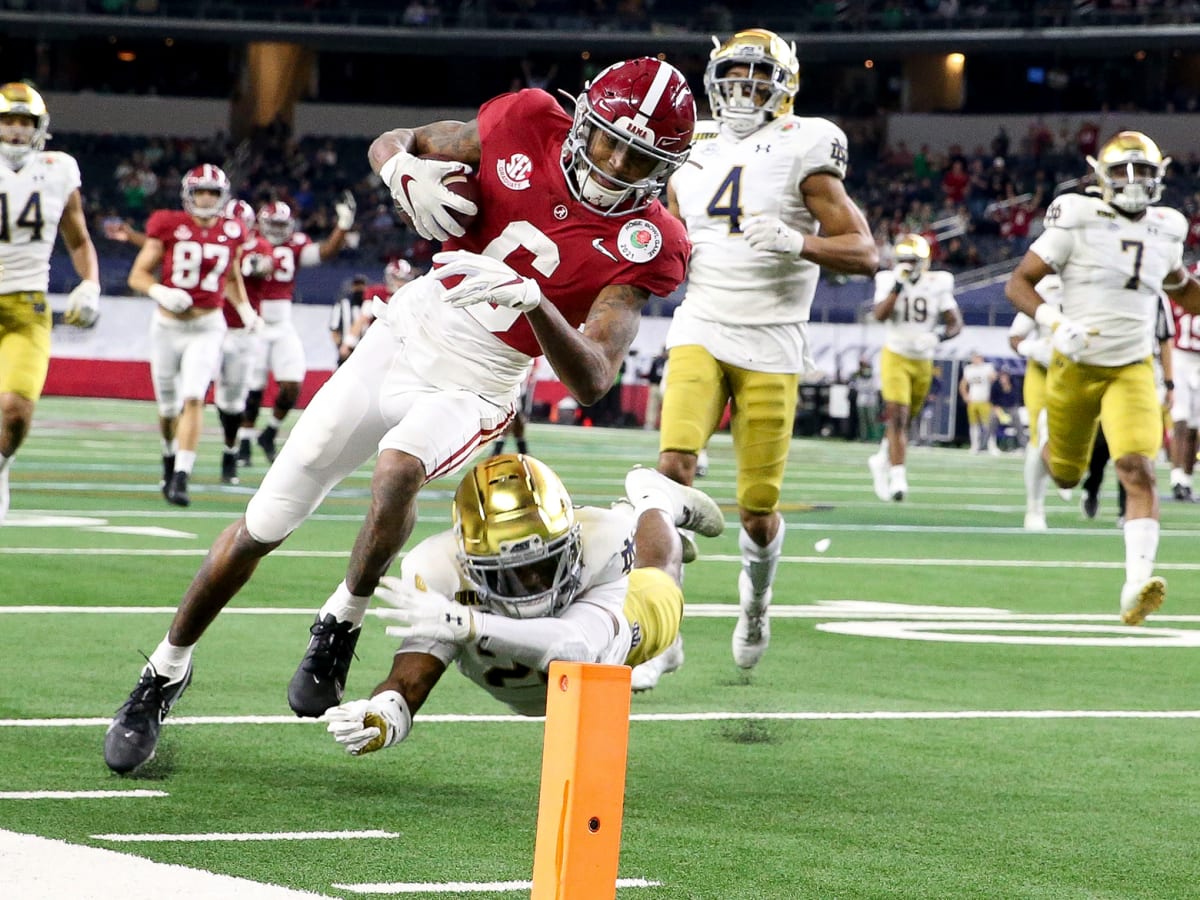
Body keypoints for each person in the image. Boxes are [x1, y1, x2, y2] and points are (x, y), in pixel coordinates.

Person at [104, 56, 698, 774]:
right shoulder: (526, 120)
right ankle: (164, 671)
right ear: (581, 121)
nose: (616, 163)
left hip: (481, 377)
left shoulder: (649, 240)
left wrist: (535, 302)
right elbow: (398, 139)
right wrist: (397, 171)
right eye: (608, 140)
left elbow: (596, 378)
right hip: (406, 328)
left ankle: (342, 620)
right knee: (265, 522)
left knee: (398, 469)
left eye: (641, 157)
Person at [636, 29, 877, 688]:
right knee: (671, 468)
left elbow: (865, 252)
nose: (743, 85)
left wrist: (800, 243)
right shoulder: (693, 144)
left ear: (784, 82)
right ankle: (663, 631)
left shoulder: (808, 140)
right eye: (733, 73)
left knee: (756, 507)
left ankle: (756, 605)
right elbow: (675, 235)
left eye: (756, 73)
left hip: (772, 340)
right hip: (702, 326)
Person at [322, 456, 725, 753]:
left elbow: (576, 647)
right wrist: (383, 717)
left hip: (613, 638)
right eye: (508, 572)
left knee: (661, 578)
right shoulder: (439, 570)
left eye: (545, 564)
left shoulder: (603, 540)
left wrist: (469, 623)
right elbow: (411, 678)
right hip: (530, 668)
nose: (532, 584)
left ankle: (654, 498)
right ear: (469, 561)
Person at [1004, 130, 1200, 626]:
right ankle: (1047, 447)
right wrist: (1055, 322)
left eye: (1144, 172)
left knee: (1138, 467)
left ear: (1161, 175)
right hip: (1075, 362)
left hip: (1132, 366)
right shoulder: (1076, 216)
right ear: (1101, 176)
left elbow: (1181, 288)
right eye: (1121, 171)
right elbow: (1018, 282)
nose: (1133, 182)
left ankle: (1136, 583)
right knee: (1066, 473)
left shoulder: (1168, 227)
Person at [126, 164, 259, 507]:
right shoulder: (168, 224)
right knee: (169, 407)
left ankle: (183, 474)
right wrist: (160, 292)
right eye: (200, 191)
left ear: (222, 196)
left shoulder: (232, 230)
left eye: (212, 193)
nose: (205, 198)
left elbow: (230, 276)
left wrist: (243, 308)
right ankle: (169, 456)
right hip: (168, 326)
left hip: (208, 324)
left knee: (195, 396)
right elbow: (138, 276)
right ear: (188, 194)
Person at [0, 82, 101, 525]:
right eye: (8, 120)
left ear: (40, 128)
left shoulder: (59, 168)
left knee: (16, 411)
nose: (17, 130)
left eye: (25, 122)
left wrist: (90, 282)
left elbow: (77, 234)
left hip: (27, 306)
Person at [236, 192, 356, 467]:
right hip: (254, 322)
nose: (278, 231)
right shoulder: (249, 241)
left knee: (292, 385)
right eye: (273, 225)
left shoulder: (295, 244)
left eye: (282, 225)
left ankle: (269, 432)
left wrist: (343, 225)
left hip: (282, 324)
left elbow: (324, 252)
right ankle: (243, 441)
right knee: (253, 388)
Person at [867, 233, 962, 502]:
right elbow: (879, 315)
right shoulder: (888, 280)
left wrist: (937, 336)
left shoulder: (938, 283)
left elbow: (956, 323)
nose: (906, 264)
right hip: (895, 354)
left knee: (906, 420)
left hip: (923, 360)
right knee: (897, 415)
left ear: (924, 261)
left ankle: (882, 458)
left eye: (911, 260)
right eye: (903, 259)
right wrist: (898, 287)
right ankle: (898, 477)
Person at [1082, 295, 1175, 523]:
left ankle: (1128, 508)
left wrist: (1170, 383)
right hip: (1107, 369)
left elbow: (1164, 341)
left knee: (1135, 445)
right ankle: (1092, 485)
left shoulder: (1155, 296)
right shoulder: (1106, 287)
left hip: (1143, 375)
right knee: (1102, 445)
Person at [1009, 273, 1063, 531]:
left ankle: (1065, 474)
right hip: (1044, 371)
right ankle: (1034, 508)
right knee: (1039, 434)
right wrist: (1030, 349)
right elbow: (1016, 335)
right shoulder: (1046, 289)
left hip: (1083, 372)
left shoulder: (1098, 285)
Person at [1166, 281, 1200, 501]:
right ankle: (1177, 478)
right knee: (1180, 419)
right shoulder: (1180, 291)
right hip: (1180, 357)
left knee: (1195, 426)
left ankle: (1186, 479)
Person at [959, 352, 998, 455]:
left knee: (988, 425)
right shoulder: (969, 368)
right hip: (973, 400)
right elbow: (963, 384)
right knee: (973, 425)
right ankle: (974, 446)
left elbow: (994, 378)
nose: (975, 359)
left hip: (984, 400)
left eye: (977, 357)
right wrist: (965, 396)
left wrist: (992, 377)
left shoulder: (987, 367)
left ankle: (991, 446)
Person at [641, 345, 668, 430]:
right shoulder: (657, 361)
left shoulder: (670, 361)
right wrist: (651, 383)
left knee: (667, 406)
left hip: (666, 385)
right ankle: (650, 423)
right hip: (655, 385)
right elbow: (651, 373)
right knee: (652, 405)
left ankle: (666, 424)